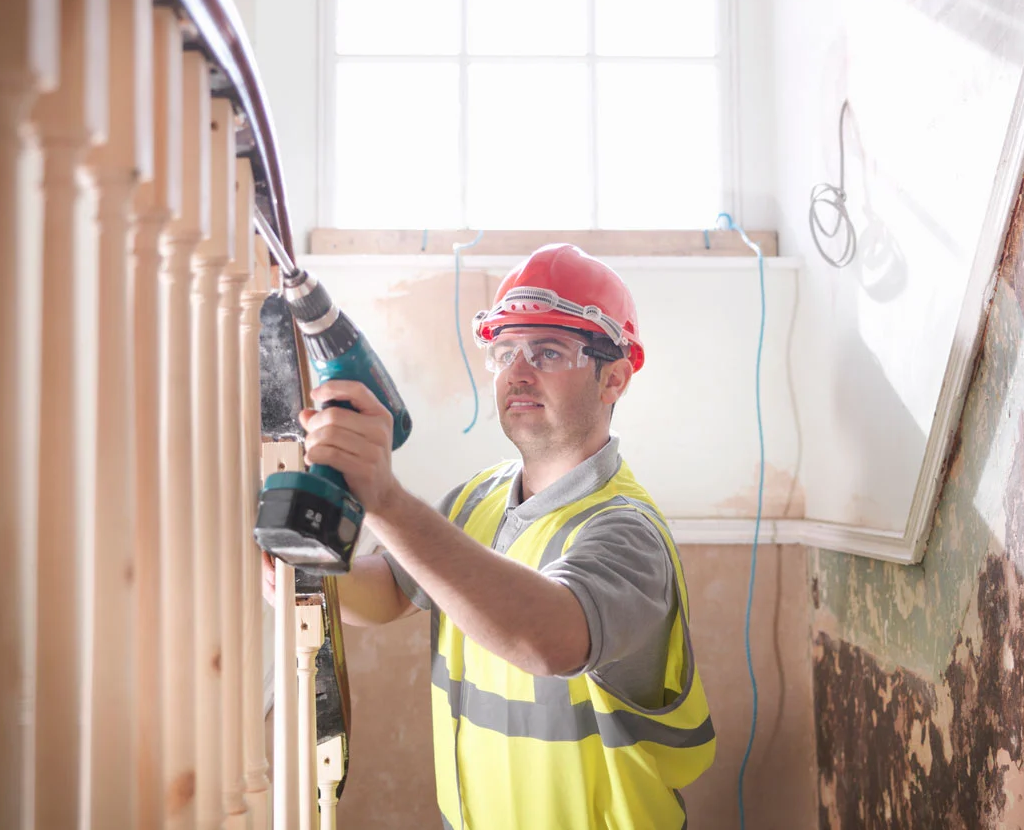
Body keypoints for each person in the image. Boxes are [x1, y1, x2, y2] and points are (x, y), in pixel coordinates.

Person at [263, 243, 715, 828]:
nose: (517, 372)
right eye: (504, 352)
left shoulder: (625, 532)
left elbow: (547, 641)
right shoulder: (477, 497)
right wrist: (310, 573)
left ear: (615, 379)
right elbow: (396, 591)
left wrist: (384, 498)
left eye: (548, 351)